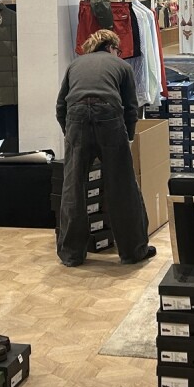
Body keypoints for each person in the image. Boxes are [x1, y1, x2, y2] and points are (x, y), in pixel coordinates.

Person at [55, 29, 155, 267]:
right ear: (112, 47)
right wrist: (127, 138)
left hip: (76, 117)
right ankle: (133, 251)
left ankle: (71, 254)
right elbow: (131, 108)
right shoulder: (122, 66)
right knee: (122, 186)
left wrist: (70, 135)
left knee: (73, 186)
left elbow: (61, 106)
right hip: (109, 116)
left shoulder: (75, 65)